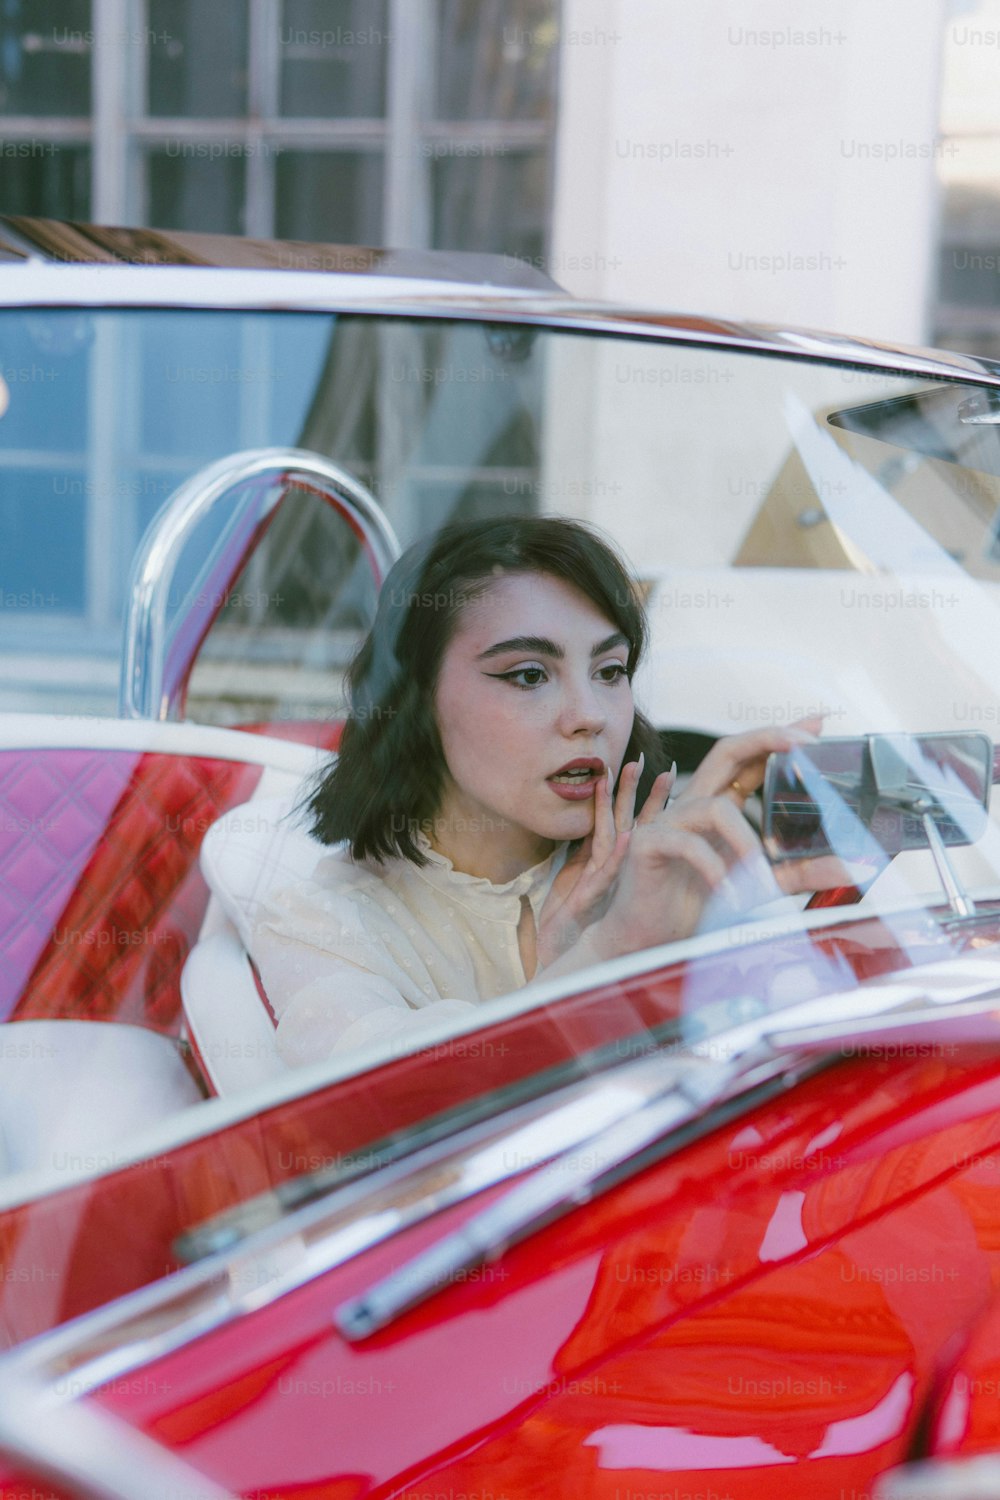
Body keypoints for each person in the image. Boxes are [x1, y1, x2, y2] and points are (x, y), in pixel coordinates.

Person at [251, 516, 841, 1067]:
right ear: (416, 701)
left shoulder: (663, 875)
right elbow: (391, 1108)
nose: (590, 716)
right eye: (529, 675)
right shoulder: (319, 923)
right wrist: (609, 955)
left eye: (610, 671)